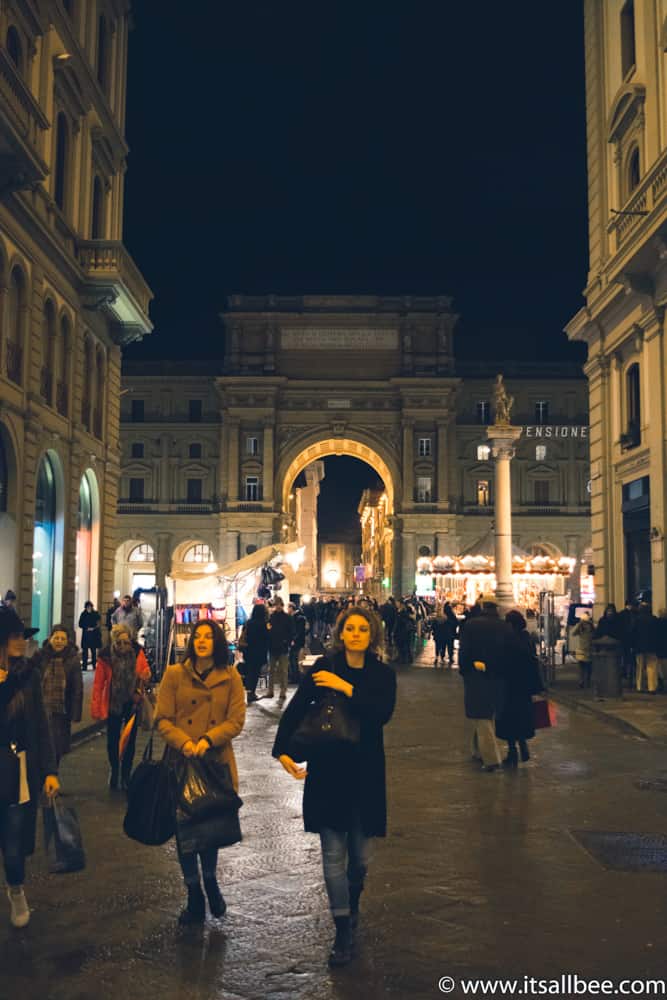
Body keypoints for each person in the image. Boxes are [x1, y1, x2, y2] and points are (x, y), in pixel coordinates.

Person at [272, 606, 396, 967]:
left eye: (362, 629)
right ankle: (342, 929)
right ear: (341, 633)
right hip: (328, 771)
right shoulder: (322, 669)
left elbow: (381, 713)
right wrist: (282, 751)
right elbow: (295, 711)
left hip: (366, 772)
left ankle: (352, 899)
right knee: (331, 857)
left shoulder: (382, 675)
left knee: (359, 859)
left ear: (371, 635)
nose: (355, 634)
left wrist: (346, 687)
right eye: (350, 628)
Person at [155, 619, 246, 924]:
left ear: (217, 642)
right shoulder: (173, 674)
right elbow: (162, 719)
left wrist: (208, 740)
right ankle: (194, 892)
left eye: (208, 637)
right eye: (198, 636)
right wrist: (185, 743)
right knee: (185, 830)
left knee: (209, 827)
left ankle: (210, 881)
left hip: (214, 761)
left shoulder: (231, 676)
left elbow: (236, 721)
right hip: (180, 761)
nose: (202, 641)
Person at [0, 607, 59, 927]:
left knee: (13, 842)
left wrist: (50, 770)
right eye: (13, 636)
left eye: (22, 636)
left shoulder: (29, 676)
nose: (21, 641)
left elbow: (41, 727)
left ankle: (16, 889)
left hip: (18, 771)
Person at [91, 624, 151, 790]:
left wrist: (146, 675)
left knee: (130, 741)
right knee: (112, 740)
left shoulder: (138, 653)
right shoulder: (106, 657)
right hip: (113, 702)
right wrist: (96, 706)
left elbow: (145, 670)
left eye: (126, 642)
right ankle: (115, 768)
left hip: (133, 701)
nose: (123, 646)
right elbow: (98, 683)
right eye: (119, 643)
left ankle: (125, 774)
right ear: (114, 642)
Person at [458, 593, 513, 772]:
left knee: (482, 717)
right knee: (486, 714)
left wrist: (464, 670)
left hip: (476, 675)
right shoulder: (505, 627)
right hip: (498, 676)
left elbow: (464, 651)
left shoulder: (471, 625)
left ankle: (491, 760)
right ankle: (477, 750)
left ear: (482, 607)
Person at [495, 611, 544, 766]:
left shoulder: (508, 640)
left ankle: (512, 752)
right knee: (522, 718)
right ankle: (523, 746)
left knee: (508, 720)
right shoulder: (526, 638)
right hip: (524, 687)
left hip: (510, 686)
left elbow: (502, 661)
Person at [32, 624, 83, 766]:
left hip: (61, 711)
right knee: (39, 744)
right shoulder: (40, 656)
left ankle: (51, 775)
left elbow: (77, 687)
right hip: (40, 709)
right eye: (56, 638)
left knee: (56, 747)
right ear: (50, 639)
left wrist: (75, 713)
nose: (59, 641)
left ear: (67, 641)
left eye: (62, 638)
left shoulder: (72, 660)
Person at [266, 596, 294, 704]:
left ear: (281, 605)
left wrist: (287, 642)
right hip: (273, 647)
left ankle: (283, 691)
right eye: (276, 605)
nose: (277, 607)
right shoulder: (271, 617)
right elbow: (268, 631)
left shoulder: (287, 618)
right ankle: (271, 690)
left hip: (282, 648)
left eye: (279, 605)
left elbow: (291, 632)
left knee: (283, 671)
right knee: (271, 670)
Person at [240, 603, 270, 704]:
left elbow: (244, 634)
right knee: (255, 672)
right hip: (259, 651)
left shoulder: (248, 622)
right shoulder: (263, 623)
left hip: (248, 651)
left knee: (250, 671)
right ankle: (251, 693)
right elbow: (266, 637)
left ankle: (249, 692)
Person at [633, 602, 659, 694]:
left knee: (639, 667)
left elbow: (633, 634)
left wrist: (633, 646)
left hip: (639, 647)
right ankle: (651, 687)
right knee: (651, 667)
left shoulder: (637, 620)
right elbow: (657, 635)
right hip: (652, 647)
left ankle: (640, 686)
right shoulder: (654, 619)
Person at [571, 612, 594, 689]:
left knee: (586, 667)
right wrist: (579, 624)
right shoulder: (581, 627)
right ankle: (583, 681)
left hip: (588, 649)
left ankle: (585, 681)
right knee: (584, 667)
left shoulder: (590, 626)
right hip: (583, 649)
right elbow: (573, 633)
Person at [78, 601, 102, 671]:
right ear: (86, 607)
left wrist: (94, 628)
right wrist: (86, 627)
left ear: (92, 607)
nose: (89, 608)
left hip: (93, 635)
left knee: (93, 651)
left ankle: (94, 665)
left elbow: (99, 622)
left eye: (90, 607)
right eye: (87, 607)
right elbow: (80, 624)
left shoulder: (95, 614)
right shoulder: (83, 614)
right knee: (85, 651)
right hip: (86, 635)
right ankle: (84, 666)